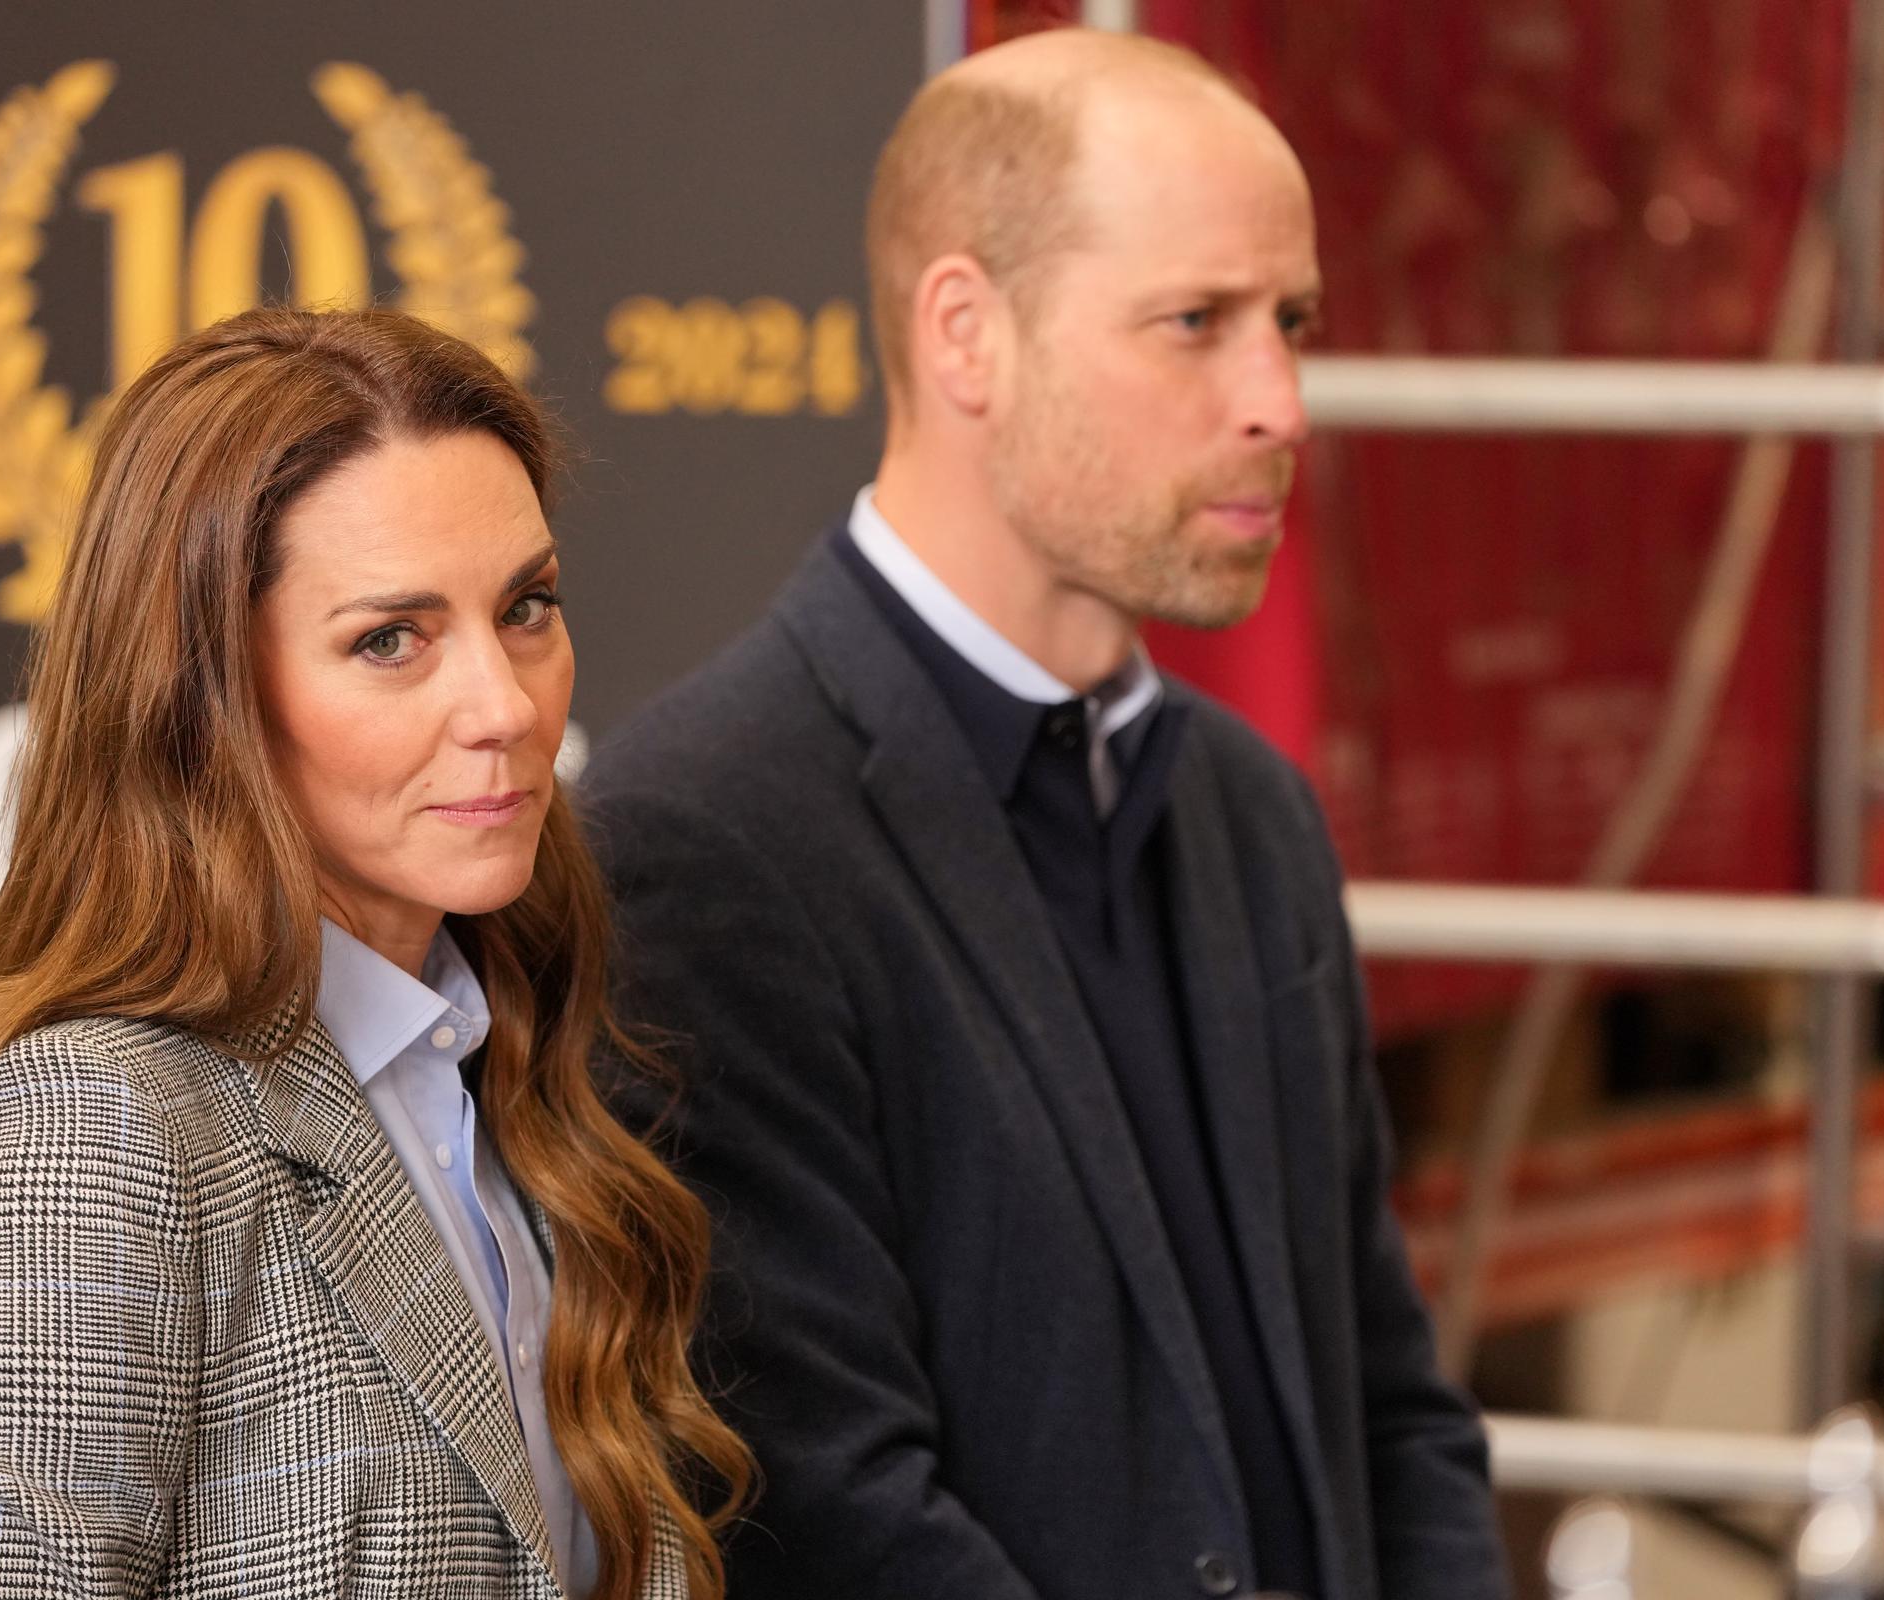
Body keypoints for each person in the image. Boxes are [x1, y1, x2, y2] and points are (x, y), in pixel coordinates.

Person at [584, 31, 1507, 1600]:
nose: (1280, 401)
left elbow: (1391, 1408)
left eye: (1289, 323)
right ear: (966, 334)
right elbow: (822, 1510)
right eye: (1195, 324)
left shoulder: (1250, 811)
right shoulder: (704, 837)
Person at [0, 306, 750, 1600]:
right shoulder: (98, 1127)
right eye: (390, 641)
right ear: (206, 700)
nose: (507, 706)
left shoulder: (505, 1061)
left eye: (527, 607)